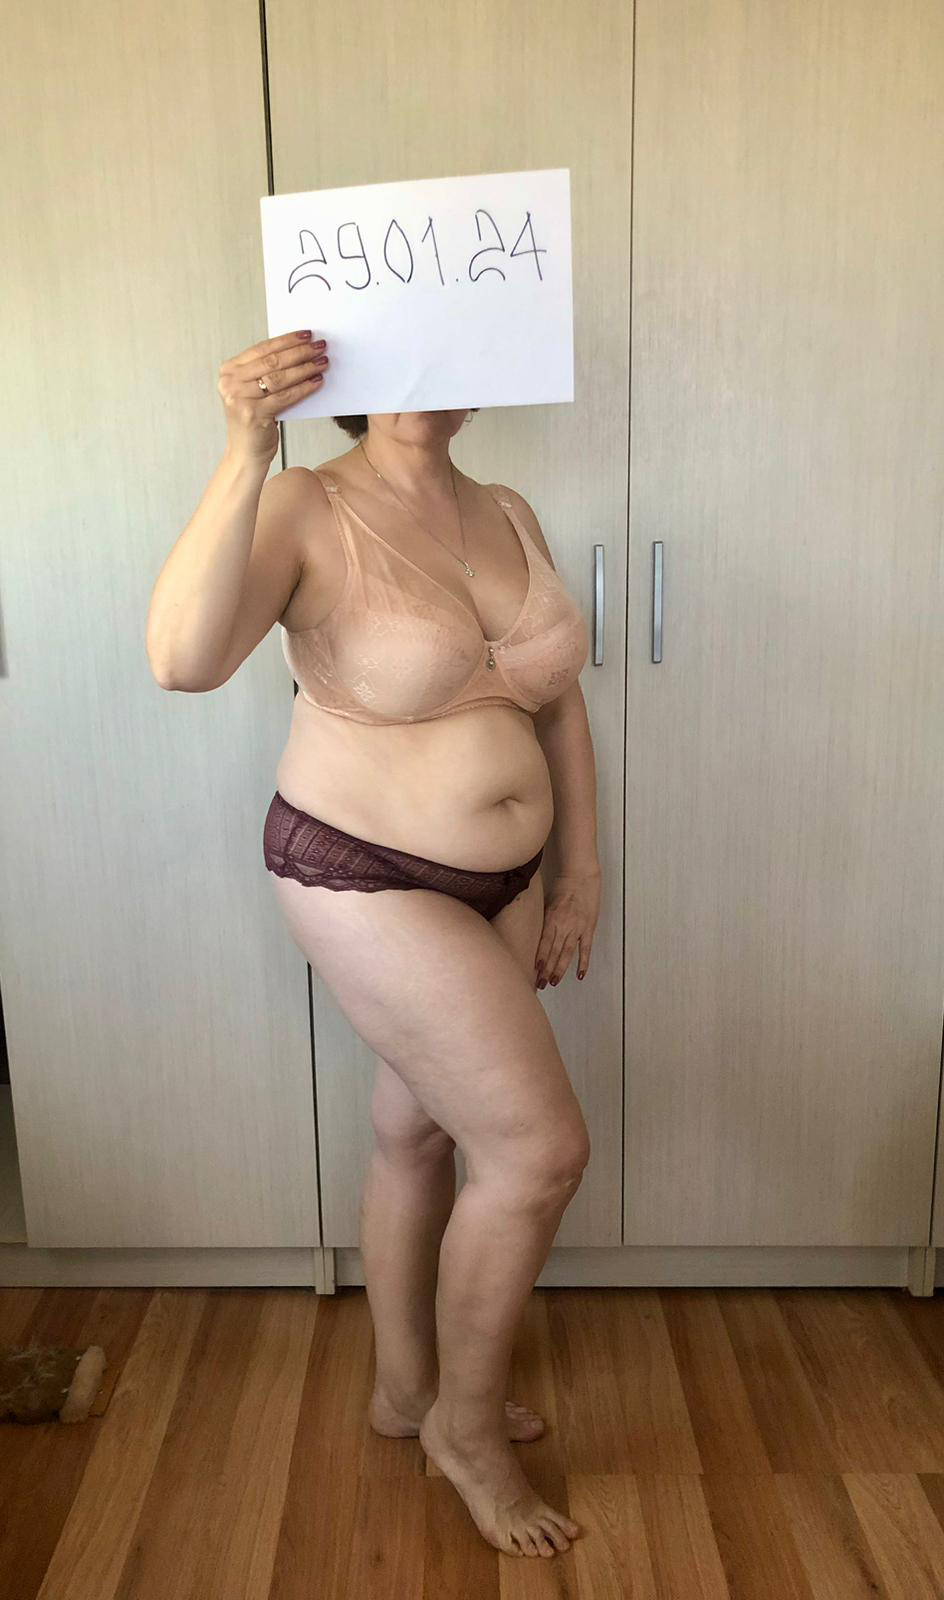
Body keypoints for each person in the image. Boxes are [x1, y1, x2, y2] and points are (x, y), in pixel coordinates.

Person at [145, 328, 602, 1559]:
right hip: (366, 873)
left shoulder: (508, 507)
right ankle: (466, 1429)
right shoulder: (305, 504)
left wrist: (580, 871)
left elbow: (558, 701)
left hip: (507, 881)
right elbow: (181, 661)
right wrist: (245, 447)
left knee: (418, 1129)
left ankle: (406, 1389)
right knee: (538, 1149)